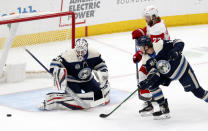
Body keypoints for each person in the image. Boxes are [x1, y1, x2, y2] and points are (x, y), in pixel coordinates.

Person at [136, 36, 208, 120]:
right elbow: (154, 73)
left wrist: (176, 50)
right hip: (168, 75)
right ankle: (163, 108)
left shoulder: (160, 44)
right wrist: (147, 81)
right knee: (152, 85)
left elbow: (179, 41)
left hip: (182, 69)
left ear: (146, 46)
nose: (139, 49)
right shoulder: (146, 59)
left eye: (140, 47)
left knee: (198, 92)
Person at [39, 38, 110, 110]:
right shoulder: (68, 55)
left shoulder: (94, 54)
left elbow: (101, 65)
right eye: (78, 51)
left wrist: (103, 76)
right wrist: (54, 70)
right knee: (75, 99)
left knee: (98, 95)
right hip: (72, 82)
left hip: (88, 80)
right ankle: (51, 101)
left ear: (86, 49)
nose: (80, 54)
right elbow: (55, 62)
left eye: (82, 52)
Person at [131, 5, 170, 116]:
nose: (145, 19)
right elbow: (146, 31)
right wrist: (139, 31)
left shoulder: (158, 29)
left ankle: (159, 104)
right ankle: (150, 102)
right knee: (143, 75)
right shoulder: (153, 23)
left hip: (160, 58)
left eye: (147, 17)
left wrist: (140, 53)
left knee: (150, 79)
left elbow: (153, 48)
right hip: (154, 55)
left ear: (153, 17)